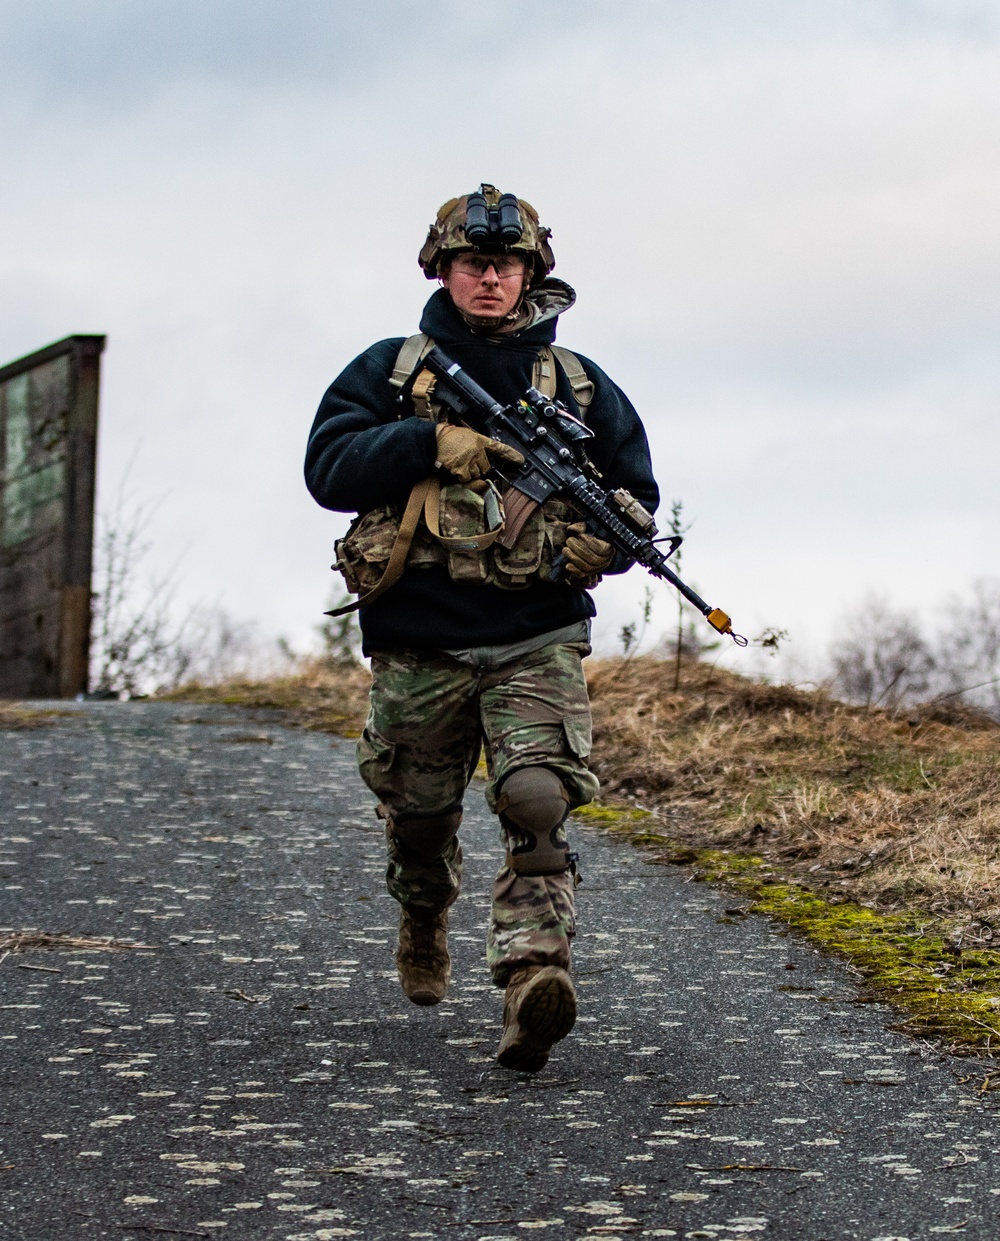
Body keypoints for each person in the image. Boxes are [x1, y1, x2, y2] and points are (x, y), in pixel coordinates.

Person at [304, 185, 659, 1072]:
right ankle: (423, 912)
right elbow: (327, 467)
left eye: (507, 265)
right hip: (420, 635)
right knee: (421, 816)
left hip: (535, 633)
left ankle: (532, 979)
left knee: (537, 799)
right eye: (474, 264)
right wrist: (424, 443)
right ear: (444, 270)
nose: (491, 279)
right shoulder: (392, 370)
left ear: (532, 272)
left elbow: (634, 496)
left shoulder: (575, 383)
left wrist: (597, 546)